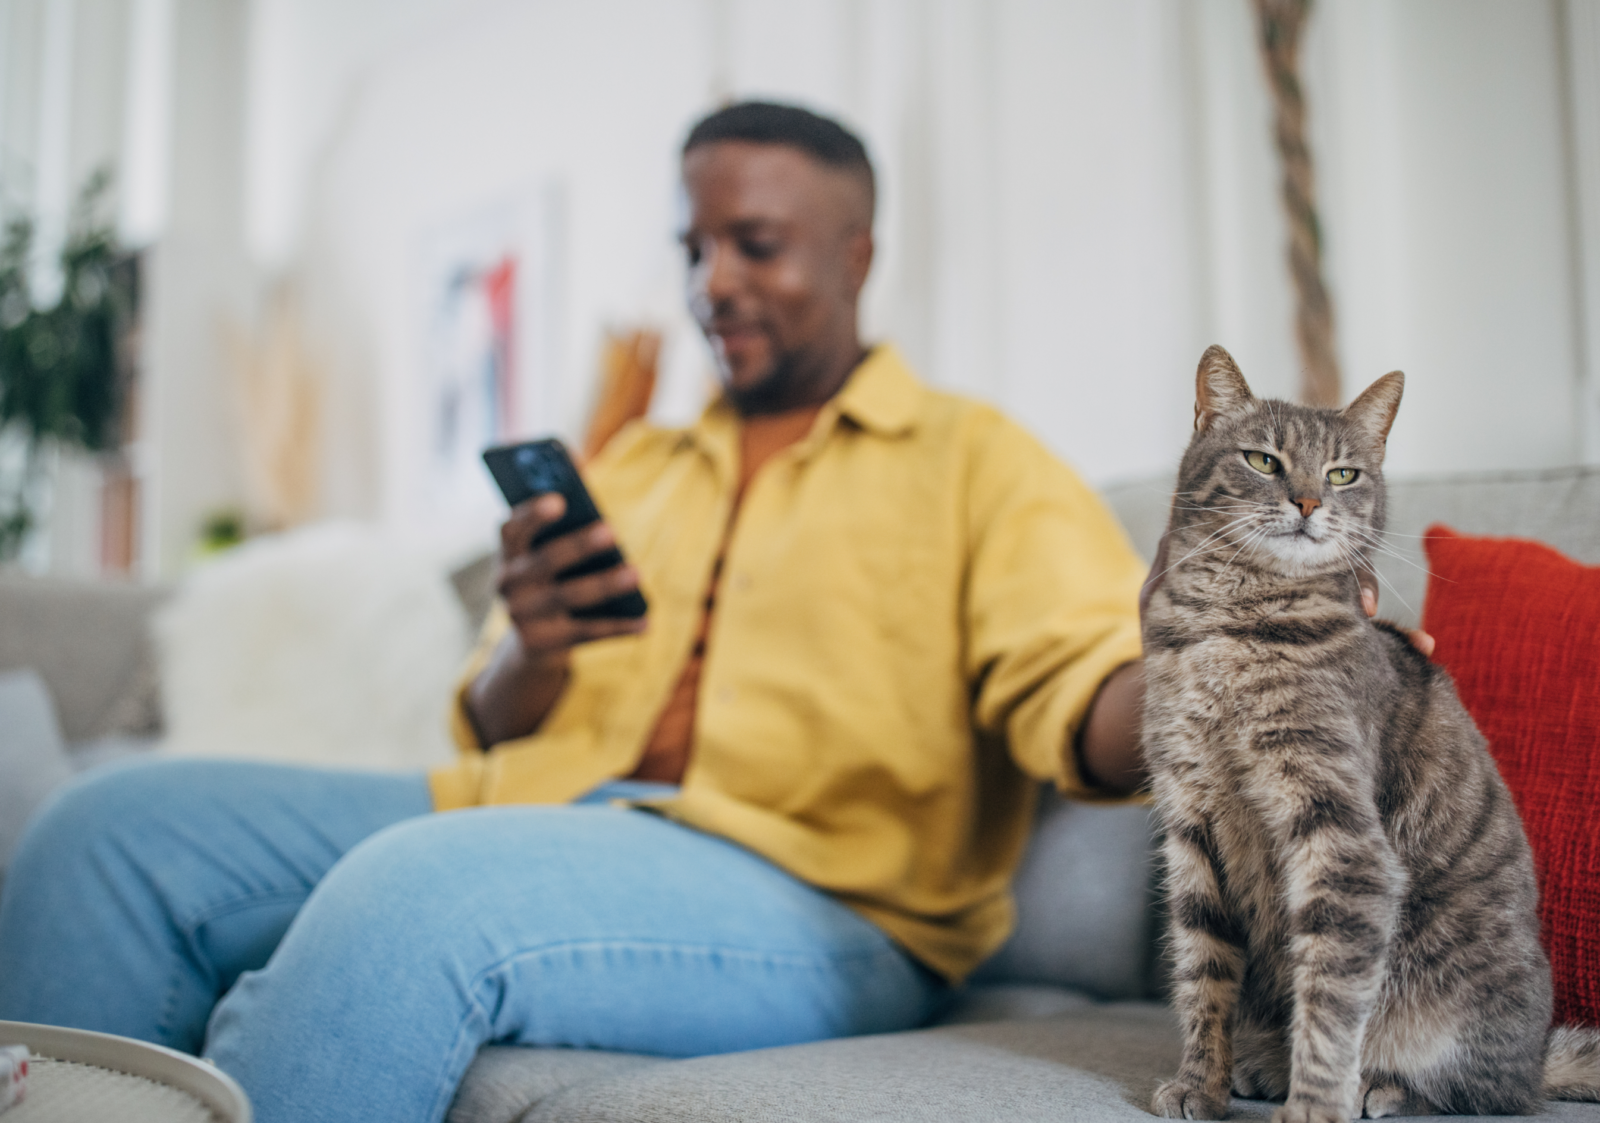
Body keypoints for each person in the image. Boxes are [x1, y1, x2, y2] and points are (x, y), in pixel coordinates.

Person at [0, 102, 1153, 1123]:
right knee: (101, 837)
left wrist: (1218, 672)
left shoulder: (981, 462)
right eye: (692, 247)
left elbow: (1083, 683)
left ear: (856, 255)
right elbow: (493, 722)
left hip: (820, 888)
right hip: (533, 799)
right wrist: (533, 644)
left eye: (756, 245)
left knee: (418, 894)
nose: (714, 282)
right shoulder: (639, 464)